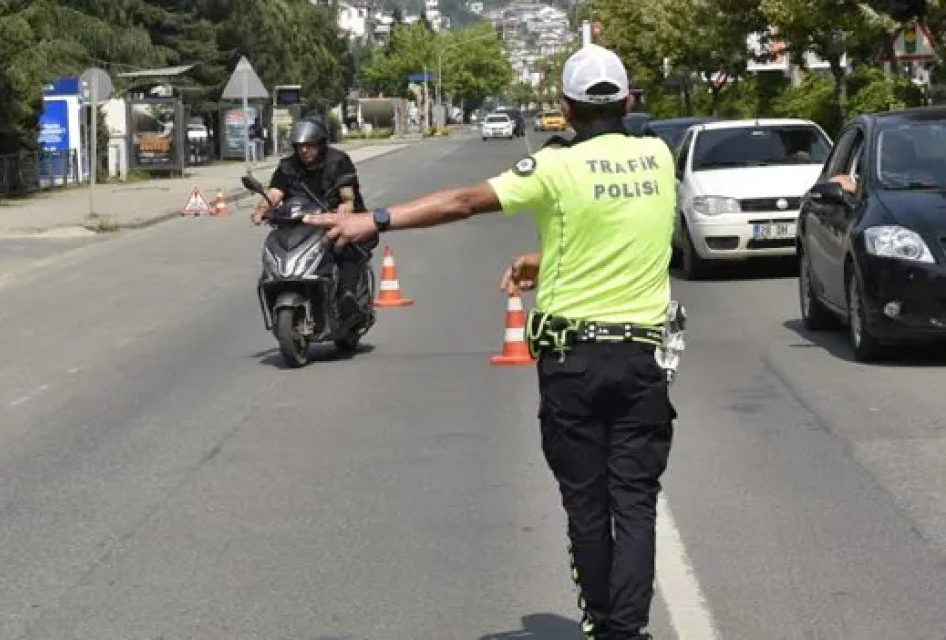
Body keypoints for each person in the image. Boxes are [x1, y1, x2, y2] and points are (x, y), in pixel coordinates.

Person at [301, 44, 678, 640]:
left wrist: (374, 220)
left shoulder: (557, 168)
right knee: (633, 504)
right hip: (642, 361)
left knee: (587, 506)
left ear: (566, 108)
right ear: (628, 102)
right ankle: (626, 633)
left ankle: (607, 629)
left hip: (573, 362)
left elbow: (464, 201)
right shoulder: (659, 157)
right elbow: (615, 232)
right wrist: (543, 257)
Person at [252, 116, 375, 317]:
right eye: (300, 146)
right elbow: (275, 193)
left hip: (336, 220)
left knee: (342, 247)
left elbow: (347, 198)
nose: (304, 151)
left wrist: (343, 212)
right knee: (280, 242)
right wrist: (260, 211)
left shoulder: (338, 161)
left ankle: (347, 295)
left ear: (320, 144)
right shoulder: (288, 166)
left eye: (309, 145)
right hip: (301, 222)